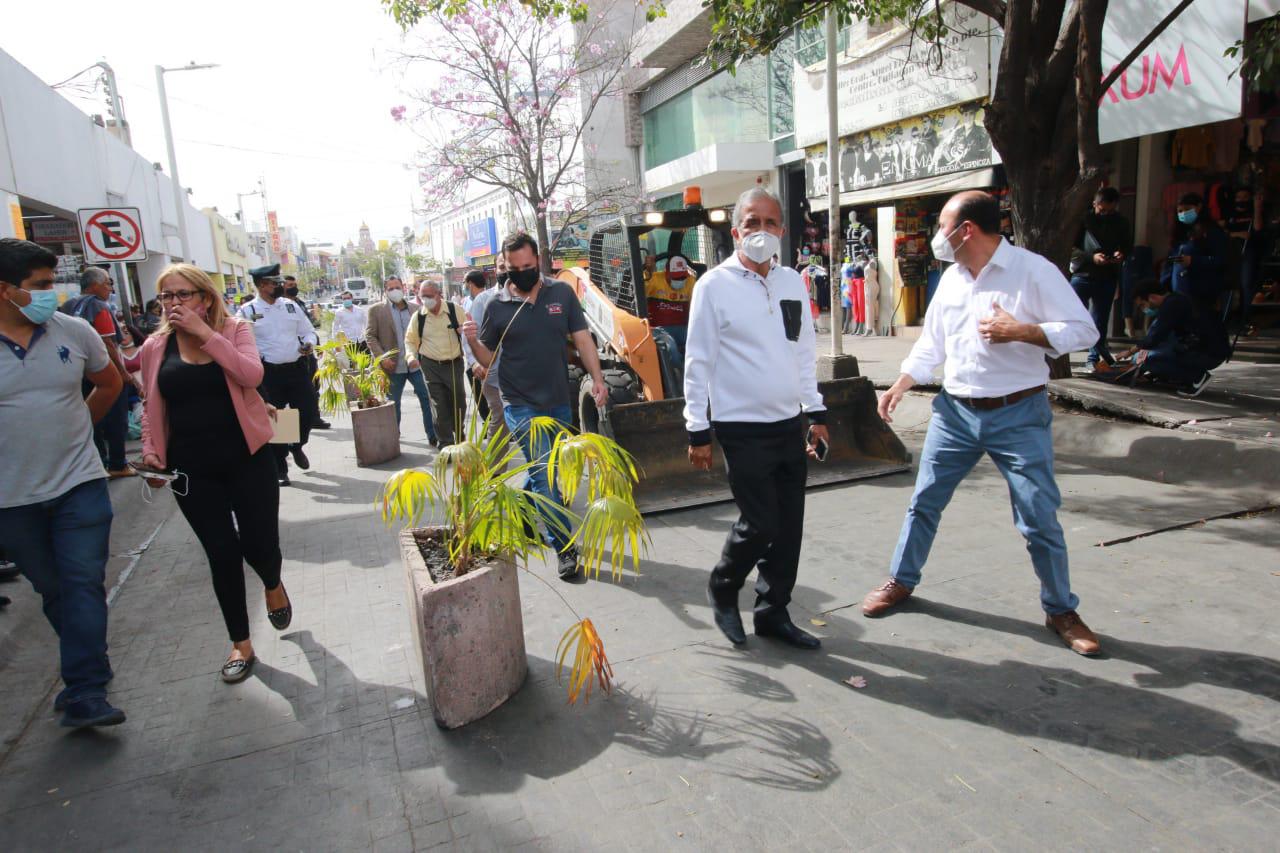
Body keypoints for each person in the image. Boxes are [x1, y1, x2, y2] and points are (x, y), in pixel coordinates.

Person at [866, 191, 1103, 656]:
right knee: (924, 502)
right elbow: (933, 344)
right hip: (955, 414)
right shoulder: (952, 280)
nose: (938, 237)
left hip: (1018, 414)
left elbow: (1084, 330)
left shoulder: (1033, 272)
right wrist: (902, 383)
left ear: (966, 230)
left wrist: (1026, 331)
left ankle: (1061, 610)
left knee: (1038, 517)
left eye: (942, 227)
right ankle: (901, 580)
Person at [683, 187, 830, 651]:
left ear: (782, 231)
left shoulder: (792, 283)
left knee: (789, 529)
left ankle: (773, 611)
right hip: (741, 427)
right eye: (752, 223)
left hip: (788, 422)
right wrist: (697, 427)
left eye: (770, 223)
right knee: (761, 521)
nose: (761, 231)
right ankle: (724, 587)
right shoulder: (713, 286)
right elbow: (697, 361)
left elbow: (803, 352)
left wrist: (816, 411)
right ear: (736, 231)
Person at [138, 264, 291, 683]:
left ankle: (272, 581)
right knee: (221, 553)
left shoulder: (235, 330)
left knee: (260, 544)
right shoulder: (155, 347)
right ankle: (241, 643)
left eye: (182, 295)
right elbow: (150, 405)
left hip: (248, 457)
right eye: (166, 297)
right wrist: (152, 452)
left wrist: (206, 334)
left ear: (205, 298)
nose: (173, 304)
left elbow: (251, 375)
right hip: (192, 470)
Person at [0, 238, 126, 727]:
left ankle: (85, 689)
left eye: (52, 283)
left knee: (82, 584)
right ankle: (89, 660)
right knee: (53, 590)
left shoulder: (72, 331)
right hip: (13, 500)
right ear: (5, 290)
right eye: (40, 286)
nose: (51, 294)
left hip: (80, 483)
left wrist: (77, 432)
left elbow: (110, 382)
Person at [462, 233, 607, 580]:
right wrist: (471, 341)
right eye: (514, 268)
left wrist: (598, 378)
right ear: (505, 267)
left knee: (545, 470)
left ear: (538, 261)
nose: (522, 273)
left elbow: (582, 338)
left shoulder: (561, 293)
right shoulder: (496, 305)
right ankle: (565, 548)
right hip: (519, 402)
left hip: (558, 399)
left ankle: (524, 506)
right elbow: (488, 356)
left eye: (528, 267)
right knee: (546, 474)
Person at [238, 264, 318, 486]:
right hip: (269, 373)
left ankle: (297, 445)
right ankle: (281, 467)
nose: (279, 286)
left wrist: (309, 343)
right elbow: (241, 343)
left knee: (308, 411)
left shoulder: (290, 307)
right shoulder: (246, 311)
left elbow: (308, 331)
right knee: (277, 418)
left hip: (296, 368)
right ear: (263, 285)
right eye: (275, 283)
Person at [62, 267, 139, 479]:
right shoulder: (99, 306)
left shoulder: (68, 305)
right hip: (105, 374)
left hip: (79, 373)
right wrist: (124, 374)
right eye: (107, 283)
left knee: (91, 419)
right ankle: (117, 464)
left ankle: (99, 463)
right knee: (117, 420)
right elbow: (108, 343)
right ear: (94, 285)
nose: (110, 288)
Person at [1121, 278, 1230, 397]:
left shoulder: (1171, 306)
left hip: (1207, 352)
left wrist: (1130, 352)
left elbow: (1153, 338)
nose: (1144, 310)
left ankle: (1196, 376)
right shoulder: (1177, 300)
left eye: (1142, 305)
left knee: (1143, 359)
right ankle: (1168, 376)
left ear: (1152, 297)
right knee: (1147, 354)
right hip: (1212, 349)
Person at [364, 277, 438, 445]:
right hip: (392, 367)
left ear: (403, 288)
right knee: (393, 403)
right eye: (390, 289)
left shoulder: (416, 308)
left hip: (416, 365)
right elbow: (370, 336)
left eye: (397, 287)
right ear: (385, 291)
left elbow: (426, 334)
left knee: (427, 399)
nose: (394, 291)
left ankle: (433, 435)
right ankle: (393, 436)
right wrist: (382, 358)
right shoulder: (376, 310)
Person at [1069, 186, 1133, 370]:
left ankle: (1094, 357)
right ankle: (1065, 351)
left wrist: (1121, 254)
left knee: (1100, 319)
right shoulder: (1084, 220)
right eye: (1101, 209)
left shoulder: (1121, 222)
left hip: (1107, 276)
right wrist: (1092, 257)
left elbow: (1128, 245)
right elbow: (1071, 248)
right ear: (1094, 204)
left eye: (1110, 211)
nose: (1105, 214)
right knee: (1072, 314)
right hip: (1082, 274)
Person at [404, 280, 467, 447]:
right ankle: (445, 443)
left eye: (430, 296)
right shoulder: (419, 316)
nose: (426, 300)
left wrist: (465, 332)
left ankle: (459, 436)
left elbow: (470, 332)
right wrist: (410, 357)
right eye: (423, 296)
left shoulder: (454, 310)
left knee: (458, 401)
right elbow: (410, 340)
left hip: (454, 363)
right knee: (438, 405)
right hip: (430, 365)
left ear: (439, 295)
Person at [462, 262, 508, 443]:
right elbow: (469, 336)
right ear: (496, 270)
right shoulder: (483, 300)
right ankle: (495, 469)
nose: (507, 271)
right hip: (494, 375)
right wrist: (474, 362)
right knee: (500, 420)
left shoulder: (530, 296)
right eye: (502, 266)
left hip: (525, 376)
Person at [1163, 192, 1228, 314]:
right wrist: (1163, 285)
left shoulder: (1212, 232)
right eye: (1180, 211)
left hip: (1201, 289)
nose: (1183, 214)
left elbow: (1220, 260)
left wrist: (1193, 261)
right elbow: (1170, 260)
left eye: (1187, 209)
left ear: (1199, 207)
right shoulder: (1180, 233)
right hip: (1178, 289)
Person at [459, 270, 492, 423]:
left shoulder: (488, 299)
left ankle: (493, 425)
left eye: (465, 283)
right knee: (479, 396)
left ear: (470, 284)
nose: (464, 286)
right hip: (471, 359)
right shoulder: (467, 301)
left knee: (488, 397)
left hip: (483, 358)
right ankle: (489, 423)